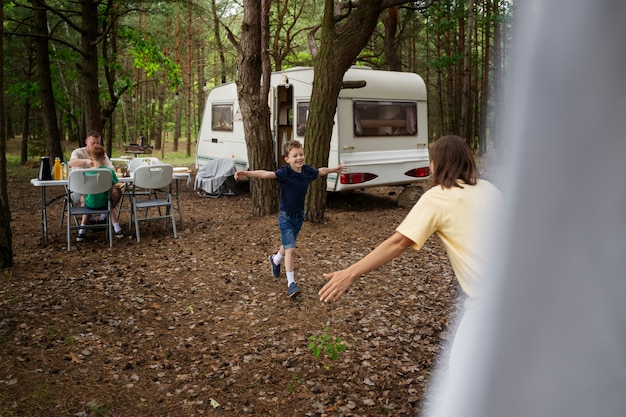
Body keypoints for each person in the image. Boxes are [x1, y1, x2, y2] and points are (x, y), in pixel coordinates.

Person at [318, 135, 502, 372]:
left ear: (439, 163)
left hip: (490, 300)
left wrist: (351, 273)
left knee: (462, 371)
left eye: (431, 160)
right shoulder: (490, 190)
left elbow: (398, 242)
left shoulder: (438, 197)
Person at [234, 139, 346, 298]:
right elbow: (265, 174)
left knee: (287, 246)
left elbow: (321, 171)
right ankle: (291, 284)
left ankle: (275, 259)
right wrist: (246, 173)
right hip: (285, 216)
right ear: (287, 159)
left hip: (299, 216)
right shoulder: (285, 173)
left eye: (301, 154)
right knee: (291, 249)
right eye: (295, 156)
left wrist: (335, 169)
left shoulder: (307, 171)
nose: (299, 158)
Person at [69, 131, 121, 222]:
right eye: (93, 143)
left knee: (117, 192)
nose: (95, 145)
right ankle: (89, 221)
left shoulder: (101, 154)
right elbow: (71, 163)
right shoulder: (78, 152)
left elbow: (111, 169)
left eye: (98, 143)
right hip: (80, 188)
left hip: (100, 188)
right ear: (86, 142)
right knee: (85, 196)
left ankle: (104, 217)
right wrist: (86, 162)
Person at [76, 145, 124, 241]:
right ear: (104, 157)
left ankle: (81, 232)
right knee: (110, 206)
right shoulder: (109, 172)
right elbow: (116, 184)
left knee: (86, 205)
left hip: (89, 203)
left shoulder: (86, 173)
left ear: (91, 158)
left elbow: (82, 188)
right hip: (104, 203)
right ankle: (117, 229)